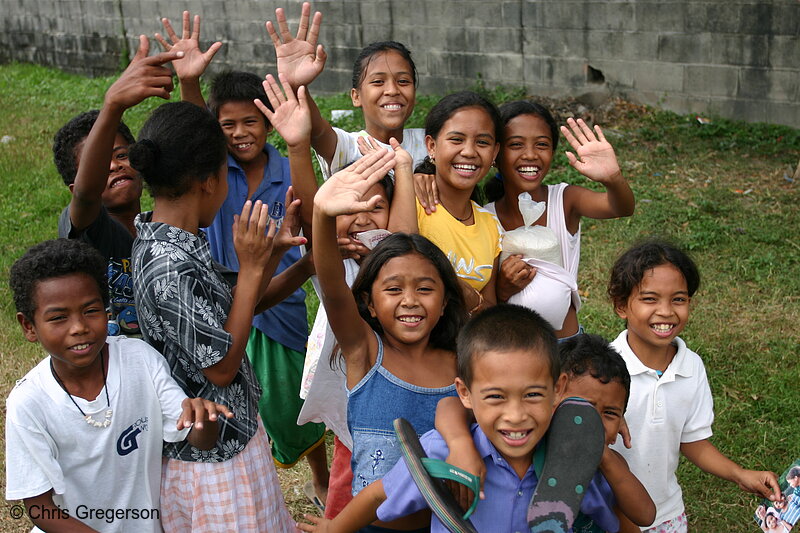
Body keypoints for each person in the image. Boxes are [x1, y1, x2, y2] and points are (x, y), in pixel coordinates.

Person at [156, 11, 330, 501]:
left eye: (249, 121)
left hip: (281, 300)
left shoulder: (286, 167)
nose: (237, 133)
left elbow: (313, 211)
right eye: (226, 125)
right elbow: (193, 137)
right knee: (239, 400)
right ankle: (261, 472)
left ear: (270, 122)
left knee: (292, 398)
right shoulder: (213, 170)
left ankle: (316, 467)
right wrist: (190, 82)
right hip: (222, 298)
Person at [298, 305, 636, 533]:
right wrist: (334, 527)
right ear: (465, 393)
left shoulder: (570, 459)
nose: (516, 416)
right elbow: (377, 495)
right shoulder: (442, 453)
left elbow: (619, 518)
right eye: (495, 397)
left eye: (532, 394)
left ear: (558, 389)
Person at [129, 101, 304, 531]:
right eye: (227, 174)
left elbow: (236, 315)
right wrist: (251, 267)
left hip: (237, 438)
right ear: (209, 181)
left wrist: (294, 259)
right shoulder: (167, 263)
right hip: (210, 462)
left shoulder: (179, 240)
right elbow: (223, 366)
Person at [256, 73, 409, 518]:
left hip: (404, 400)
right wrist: (299, 148)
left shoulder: (399, 258)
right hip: (351, 409)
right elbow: (314, 211)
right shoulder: (335, 264)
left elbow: (401, 236)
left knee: (404, 489)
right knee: (349, 489)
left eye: (375, 205)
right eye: (351, 205)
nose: (361, 215)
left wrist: (401, 170)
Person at [6, 238, 231, 532]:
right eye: (59, 318)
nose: (79, 327)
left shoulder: (140, 360)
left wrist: (203, 419)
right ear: (28, 327)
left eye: (90, 310)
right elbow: (38, 507)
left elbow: (201, 440)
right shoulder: (28, 402)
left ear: (107, 309)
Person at [311, 147, 468, 531]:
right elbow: (332, 288)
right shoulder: (364, 351)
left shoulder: (462, 364)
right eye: (394, 289)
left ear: (446, 302)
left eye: (425, 289)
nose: (410, 301)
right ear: (369, 301)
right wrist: (320, 212)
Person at [607, 239, 782, 532]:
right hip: (608, 514)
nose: (666, 311)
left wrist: (740, 474)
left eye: (678, 299)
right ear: (621, 306)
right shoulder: (603, 370)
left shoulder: (692, 367)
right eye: (650, 299)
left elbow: (692, 441)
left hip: (666, 514)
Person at [53, 36, 183, 337]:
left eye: (122, 155)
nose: (114, 166)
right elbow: (88, 195)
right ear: (75, 186)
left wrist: (188, 81)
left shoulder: (162, 228)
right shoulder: (87, 228)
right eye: (101, 163)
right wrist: (113, 106)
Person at [482, 101, 634, 338]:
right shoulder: (485, 218)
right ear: (496, 153)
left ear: (552, 153)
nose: (530, 155)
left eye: (542, 145)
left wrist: (612, 177)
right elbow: (485, 300)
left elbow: (620, 207)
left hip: (568, 347)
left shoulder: (565, 200)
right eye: (516, 145)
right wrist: (502, 289)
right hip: (513, 352)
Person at [265, 3, 428, 183]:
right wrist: (297, 85)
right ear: (356, 96)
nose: (392, 90)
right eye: (378, 82)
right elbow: (317, 131)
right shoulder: (348, 147)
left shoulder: (430, 141)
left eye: (403, 81)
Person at [387, 91, 503, 313]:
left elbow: (489, 310)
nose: (469, 151)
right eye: (456, 139)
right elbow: (398, 256)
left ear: (495, 151)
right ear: (431, 146)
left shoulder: (491, 226)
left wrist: (463, 293)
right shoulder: (410, 201)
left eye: (482, 142)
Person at [558, 333, 656, 532]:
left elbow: (645, 516)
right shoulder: (527, 453)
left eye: (610, 413)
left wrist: (604, 457)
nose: (595, 422)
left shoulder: (610, 466)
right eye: (584, 406)